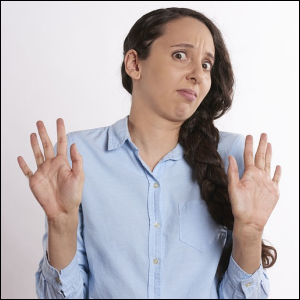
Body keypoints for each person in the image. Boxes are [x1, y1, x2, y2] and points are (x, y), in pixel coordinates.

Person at [17, 7, 281, 299]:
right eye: (181, 55)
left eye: (207, 65)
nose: (197, 74)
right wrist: (61, 223)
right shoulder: (78, 160)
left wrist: (251, 231)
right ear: (134, 63)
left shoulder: (231, 159)